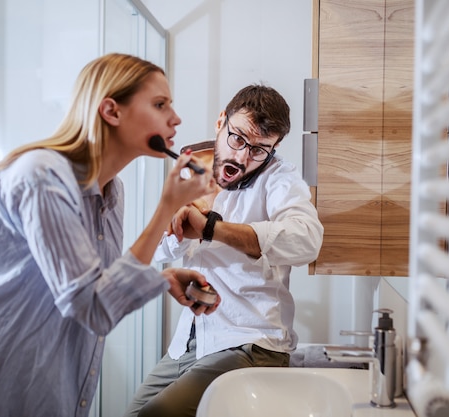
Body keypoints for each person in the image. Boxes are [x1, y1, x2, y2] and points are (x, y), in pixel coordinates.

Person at [0, 53, 220, 417]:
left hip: (29, 375)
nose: (176, 118)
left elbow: (101, 288)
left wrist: (163, 278)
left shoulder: (112, 192)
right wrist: (165, 208)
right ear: (111, 111)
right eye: (160, 105)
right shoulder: (43, 176)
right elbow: (92, 307)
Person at [125, 84, 325, 417]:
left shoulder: (280, 179)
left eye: (261, 149)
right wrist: (180, 225)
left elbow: (307, 240)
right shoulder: (194, 167)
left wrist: (210, 228)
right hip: (192, 340)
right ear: (221, 121)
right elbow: (160, 252)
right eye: (238, 138)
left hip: (250, 342)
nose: (244, 156)